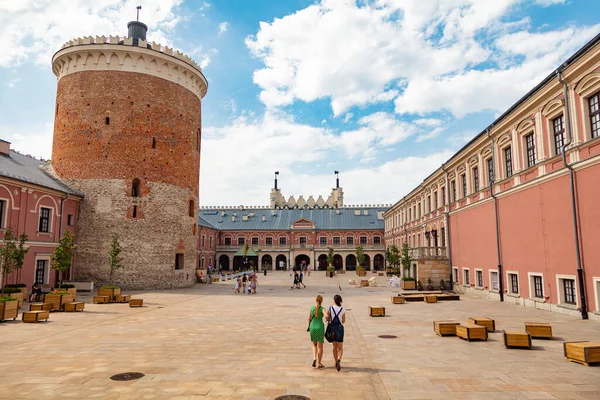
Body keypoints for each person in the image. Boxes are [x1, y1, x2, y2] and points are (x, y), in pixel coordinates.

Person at [308, 295, 328, 369]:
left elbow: (309, 318)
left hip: (312, 326)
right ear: (321, 301)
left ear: (315, 300)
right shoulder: (322, 309)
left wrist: (309, 326)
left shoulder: (312, 308)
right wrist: (327, 317)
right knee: (320, 347)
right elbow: (326, 315)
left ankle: (314, 358)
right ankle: (319, 363)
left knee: (314, 345)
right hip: (319, 327)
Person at [328, 294, 346, 371]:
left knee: (334, 347)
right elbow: (343, 321)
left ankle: (335, 361)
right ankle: (339, 360)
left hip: (332, 328)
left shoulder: (330, 308)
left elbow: (328, 318)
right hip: (339, 329)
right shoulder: (342, 309)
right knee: (340, 347)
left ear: (334, 300)